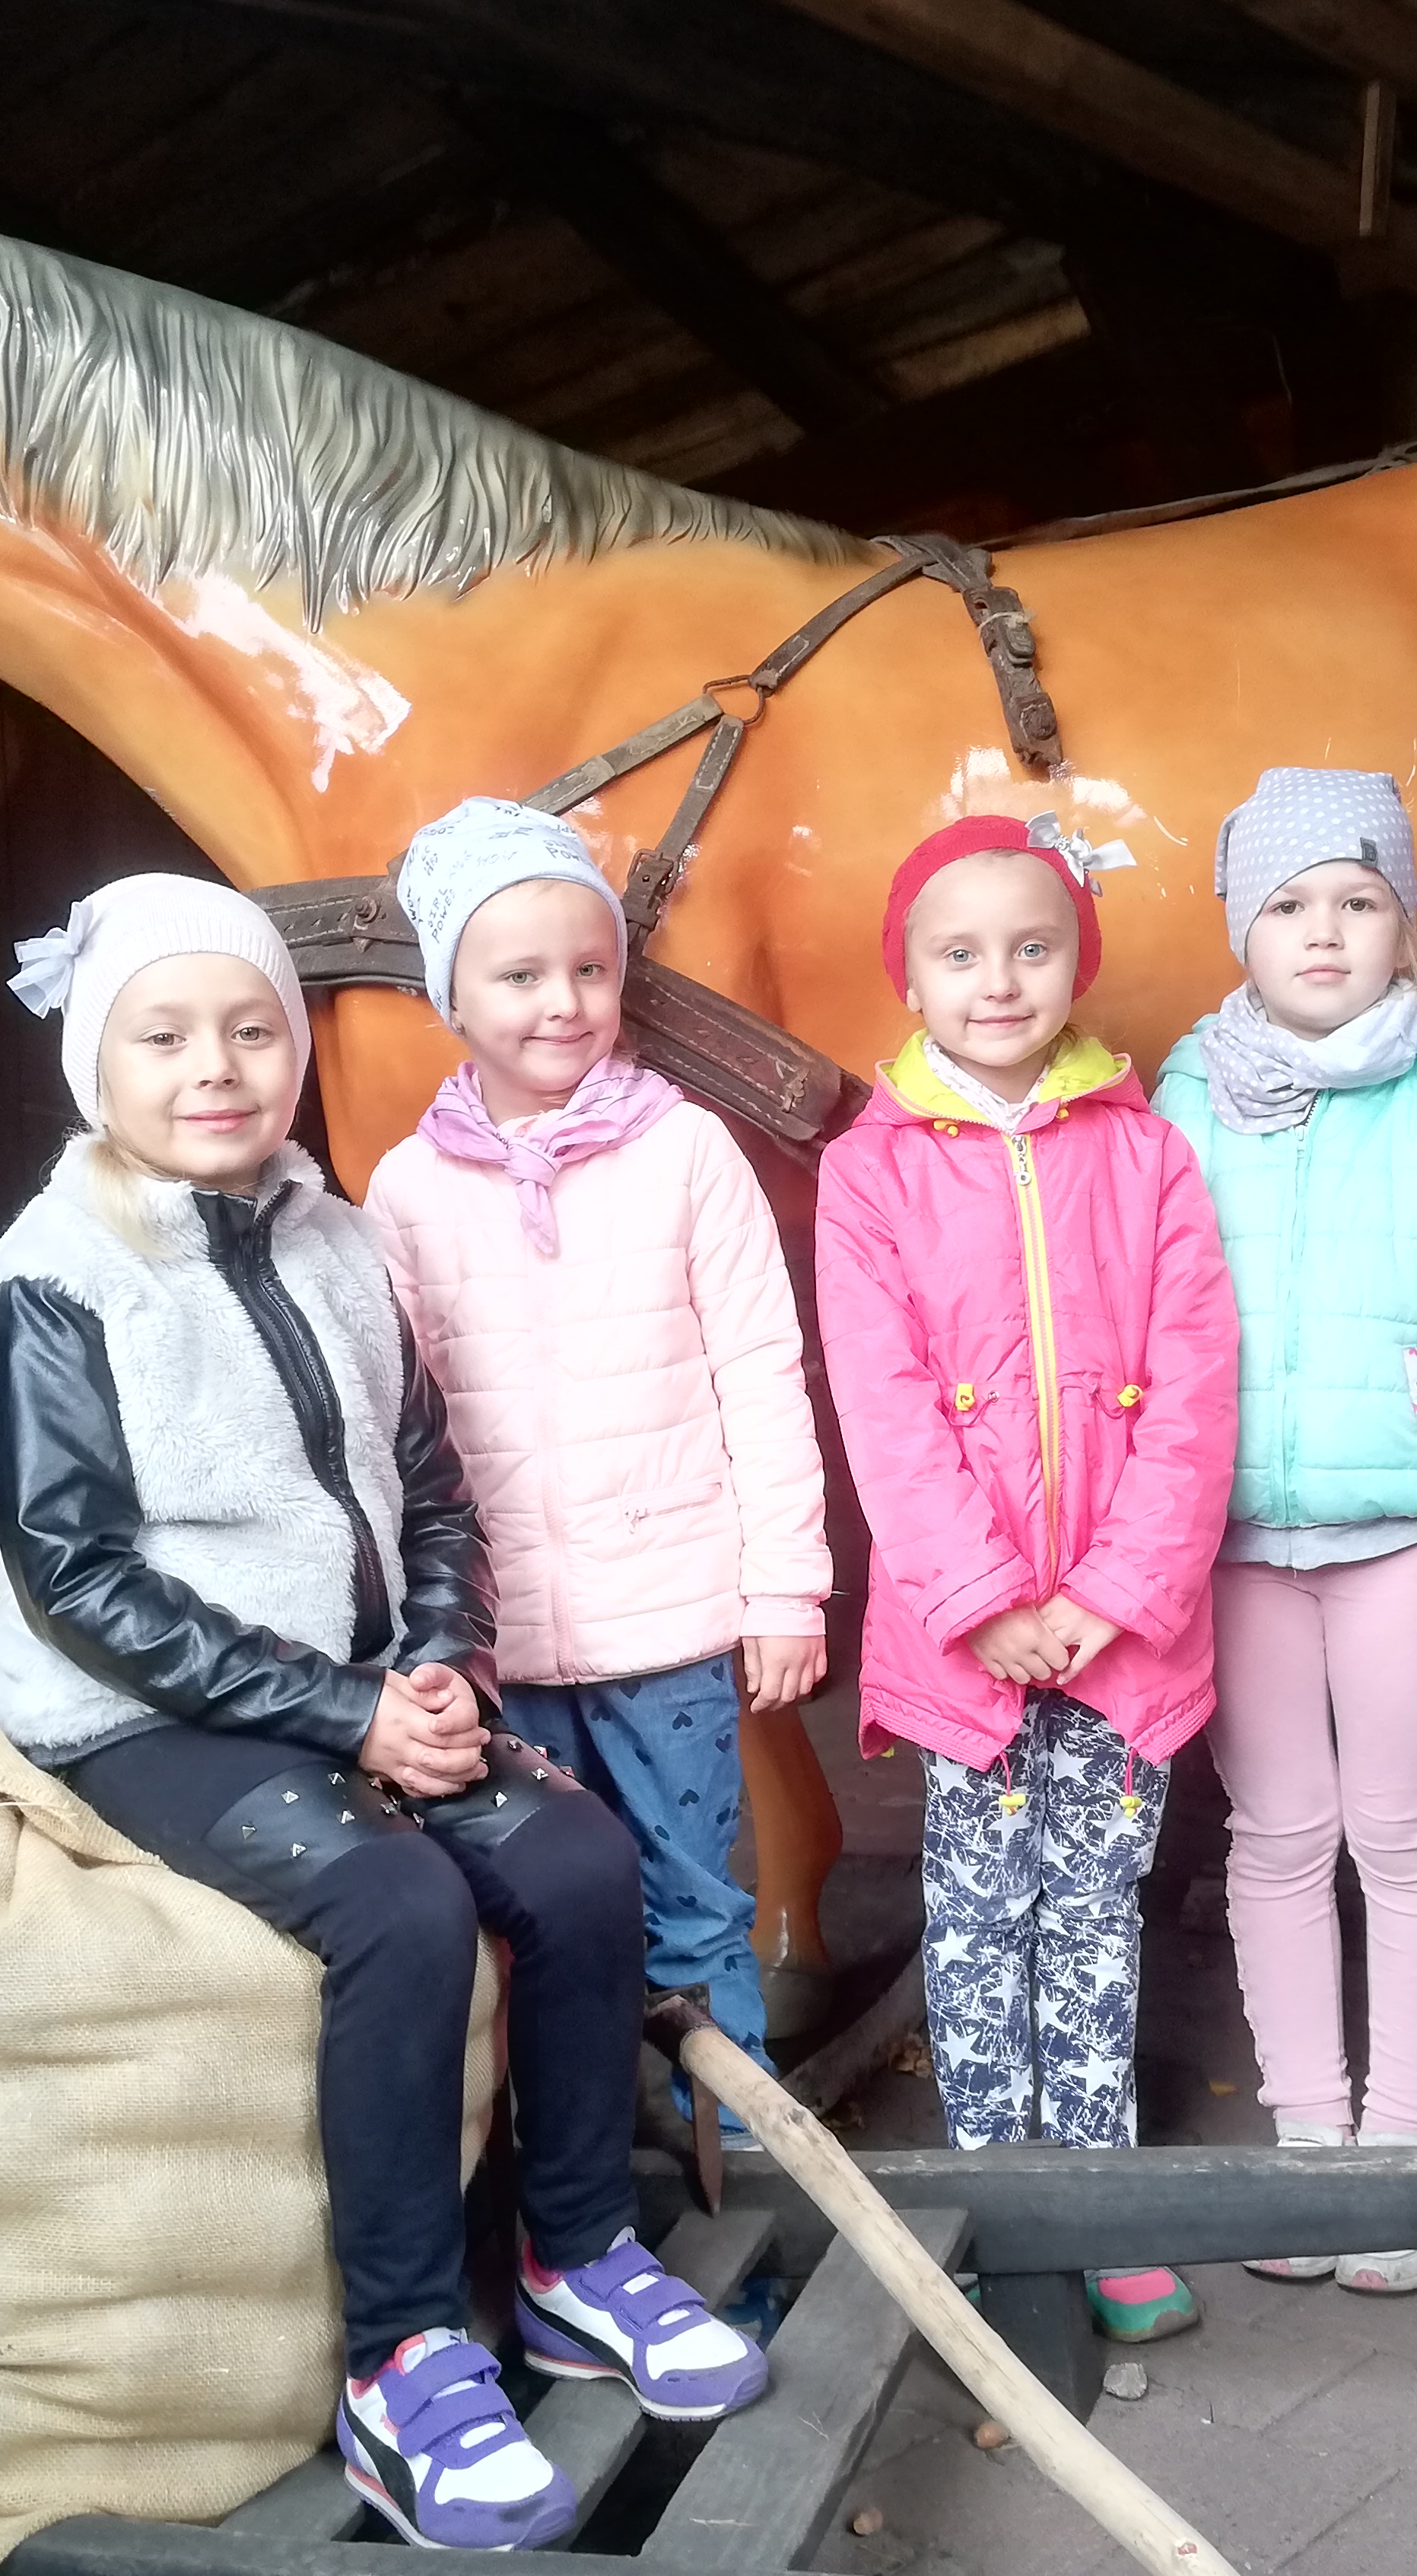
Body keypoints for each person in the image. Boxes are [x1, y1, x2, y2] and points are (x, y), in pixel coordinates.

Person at [0, 875, 767, 2553]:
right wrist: (343, 1711)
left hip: (364, 1681)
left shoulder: (337, 1243)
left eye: (254, 1029)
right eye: (165, 1038)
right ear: (95, 1065)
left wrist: (445, 1662)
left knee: (582, 1863)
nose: (217, 1067)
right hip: (148, 1710)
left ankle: (574, 2256)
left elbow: (431, 1487)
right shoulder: (52, 1284)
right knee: (399, 1903)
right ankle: (402, 2358)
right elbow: (76, 1579)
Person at [812, 813, 1237, 2347]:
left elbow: (1195, 1392)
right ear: (910, 977)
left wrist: (1113, 1595)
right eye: (961, 953)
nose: (998, 981)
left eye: (1033, 947)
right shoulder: (868, 1174)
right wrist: (985, 1598)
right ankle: (994, 2204)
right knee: (982, 1917)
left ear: (1078, 963)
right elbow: (884, 1407)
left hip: (1123, 1633)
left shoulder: (1151, 1152)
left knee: (1100, 1911)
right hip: (967, 1636)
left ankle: (1098, 2204)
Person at [363, 799, 832, 2135]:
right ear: (450, 995)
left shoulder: (686, 1154)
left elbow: (762, 1373)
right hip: (498, 1648)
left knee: (693, 1908)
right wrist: (414, 1638)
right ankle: (578, 2199)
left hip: (667, 1625)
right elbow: (393, 1434)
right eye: (519, 976)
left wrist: (784, 1590)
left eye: (590, 969)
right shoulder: (406, 1191)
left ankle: (738, 2166)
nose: (562, 1002)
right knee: (530, 1924)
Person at [1150, 769, 1417, 2298]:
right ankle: (1309, 2137)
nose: (1323, 932)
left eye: (1358, 901)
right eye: (1288, 904)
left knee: (1400, 1832)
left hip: (1411, 1530)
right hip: (1238, 1541)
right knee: (1274, 1839)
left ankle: (1403, 2150)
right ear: (1240, 929)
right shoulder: (1186, 1096)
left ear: (1402, 925)